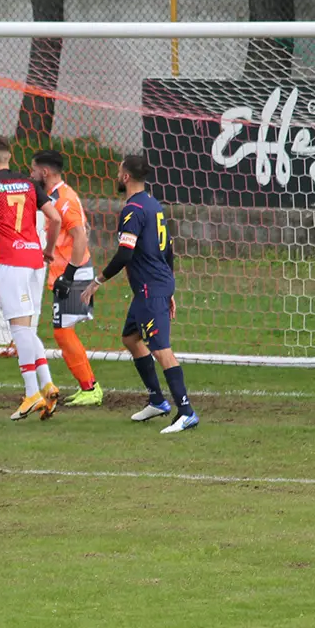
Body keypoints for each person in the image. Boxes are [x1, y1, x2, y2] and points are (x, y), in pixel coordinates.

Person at [81, 154, 199, 434]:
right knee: (131, 338)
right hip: (155, 286)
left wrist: (98, 280)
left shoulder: (132, 210)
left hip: (149, 288)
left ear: (125, 177)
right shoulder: (154, 205)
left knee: (161, 349)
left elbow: (125, 253)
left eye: (118, 170)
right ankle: (158, 400)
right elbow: (168, 248)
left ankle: (186, 410)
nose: (116, 174)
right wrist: (169, 286)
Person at [0, 136, 65, 421]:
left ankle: (31, 392)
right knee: (28, 327)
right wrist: (47, 250)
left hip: (11, 262)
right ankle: (47, 384)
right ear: (10, 157)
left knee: (19, 329)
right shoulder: (30, 183)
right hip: (35, 261)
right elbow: (55, 219)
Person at [30, 149, 103, 407]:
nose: (31, 174)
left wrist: (69, 275)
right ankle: (88, 387)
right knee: (62, 331)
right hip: (66, 272)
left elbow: (81, 236)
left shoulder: (64, 199)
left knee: (62, 332)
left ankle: (91, 388)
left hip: (74, 273)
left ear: (45, 172)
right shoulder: (53, 197)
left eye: (33, 170)